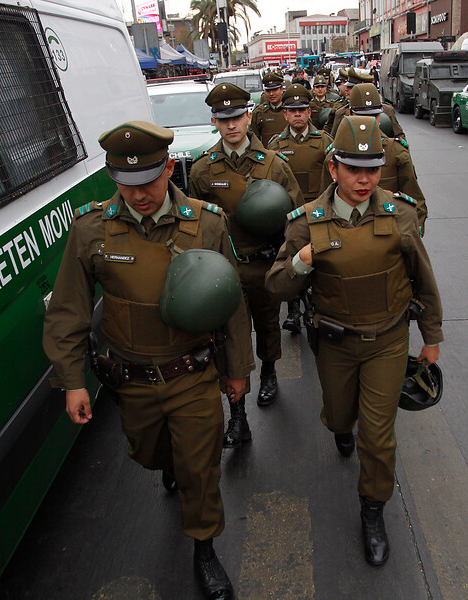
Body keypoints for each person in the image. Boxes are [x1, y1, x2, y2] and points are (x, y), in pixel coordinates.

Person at [43, 121, 254, 600]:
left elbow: (233, 306)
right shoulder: (91, 229)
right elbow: (68, 311)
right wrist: (73, 380)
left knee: (200, 467)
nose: (139, 194)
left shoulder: (207, 223)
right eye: (126, 183)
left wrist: (238, 370)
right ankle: (168, 462)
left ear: (169, 169)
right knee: (150, 453)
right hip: (132, 380)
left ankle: (205, 548)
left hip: (193, 372)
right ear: (113, 177)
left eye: (149, 181)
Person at [265, 115, 444, 567]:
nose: (364, 179)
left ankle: (372, 509)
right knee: (340, 416)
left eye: (373, 168)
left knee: (378, 436)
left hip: (387, 342)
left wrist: (432, 337)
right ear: (333, 169)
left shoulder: (400, 214)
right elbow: (276, 287)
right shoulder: (308, 222)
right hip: (336, 344)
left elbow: (424, 280)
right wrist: (303, 260)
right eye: (352, 168)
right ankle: (340, 426)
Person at [188, 83, 305, 447]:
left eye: (237, 117)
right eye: (224, 120)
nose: (232, 125)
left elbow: (296, 217)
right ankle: (237, 415)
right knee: (224, 338)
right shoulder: (203, 170)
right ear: (215, 122)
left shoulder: (273, 165)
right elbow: (195, 223)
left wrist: (287, 257)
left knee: (267, 323)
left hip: (262, 264)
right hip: (222, 270)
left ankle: (269, 369)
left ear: (249, 116)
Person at [267, 83, 334, 333]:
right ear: (285, 114)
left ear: (309, 113)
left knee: (319, 263)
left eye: (302, 109)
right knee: (292, 262)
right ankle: (294, 311)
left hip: (318, 214)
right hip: (289, 218)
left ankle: (316, 308)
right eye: (292, 110)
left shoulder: (326, 141)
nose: (297, 114)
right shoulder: (275, 146)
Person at [321, 83, 427, 233]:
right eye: (362, 115)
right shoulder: (336, 156)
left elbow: (415, 200)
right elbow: (324, 200)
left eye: (373, 116)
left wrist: (410, 235)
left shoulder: (396, 152)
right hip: (346, 232)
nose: (368, 121)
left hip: (388, 231)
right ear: (351, 114)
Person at [329, 68, 406, 140]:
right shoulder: (341, 112)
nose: (346, 89)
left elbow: (399, 136)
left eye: (351, 87)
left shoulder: (386, 110)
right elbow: (334, 140)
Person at [250, 70, 287, 145]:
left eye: (275, 90)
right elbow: (253, 139)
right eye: (268, 91)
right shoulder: (259, 112)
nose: (271, 94)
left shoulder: (290, 110)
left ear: (281, 90)